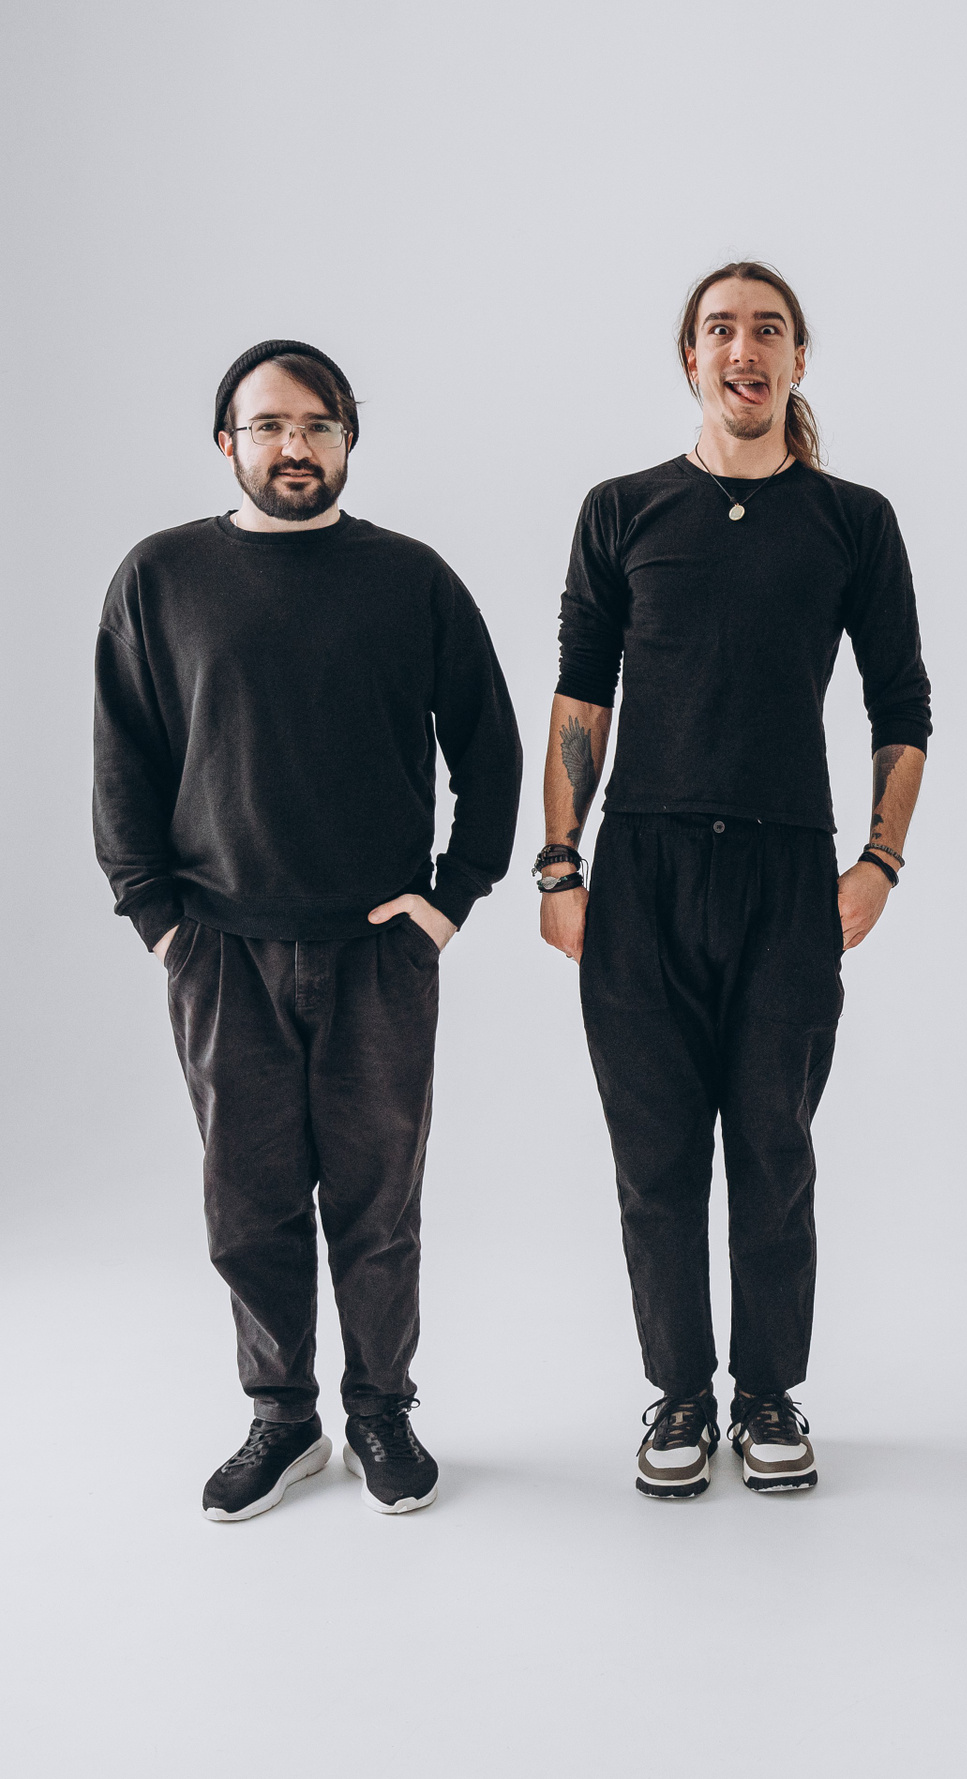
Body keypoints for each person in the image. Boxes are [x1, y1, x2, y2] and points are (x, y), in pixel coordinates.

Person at [93, 339, 522, 1520]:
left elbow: (489, 747)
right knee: (250, 1203)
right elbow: (124, 760)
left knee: (380, 1204)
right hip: (221, 948)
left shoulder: (411, 579)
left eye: (319, 425)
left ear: (348, 440)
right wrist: (161, 923)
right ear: (226, 441)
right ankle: (282, 1418)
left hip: (380, 950)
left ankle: (380, 1411)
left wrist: (451, 899)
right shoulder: (163, 577)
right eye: (270, 425)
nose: (295, 446)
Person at [540, 262, 932, 1498]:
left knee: (774, 1147)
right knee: (655, 1157)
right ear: (691, 359)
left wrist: (880, 861)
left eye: (768, 331)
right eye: (721, 330)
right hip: (642, 869)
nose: (743, 349)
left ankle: (767, 1393)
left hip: (786, 871)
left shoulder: (852, 521)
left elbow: (902, 702)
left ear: (797, 360)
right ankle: (677, 1394)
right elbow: (579, 695)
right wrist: (558, 863)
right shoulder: (623, 510)